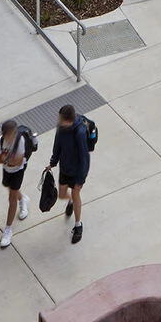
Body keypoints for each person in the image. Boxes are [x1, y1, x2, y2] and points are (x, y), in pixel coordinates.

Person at [47, 103, 90, 245]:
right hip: (65, 168)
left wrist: (81, 178)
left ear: (68, 120)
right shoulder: (61, 129)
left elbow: (85, 157)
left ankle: (78, 225)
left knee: (76, 194)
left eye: (61, 119)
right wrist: (53, 162)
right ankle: (71, 200)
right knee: (61, 195)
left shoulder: (80, 132)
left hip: (77, 171)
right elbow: (57, 146)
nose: (59, 121)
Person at [0, 118, 33, 248]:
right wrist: (6, 160)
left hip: (18, 170)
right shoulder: (0, 141)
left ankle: (8, 230)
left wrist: (6, 159)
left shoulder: (20, 141)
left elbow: (18, 161)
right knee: (10, 189)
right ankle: (23, 199)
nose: (12, 137)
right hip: (7, 170)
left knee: (11, 198)